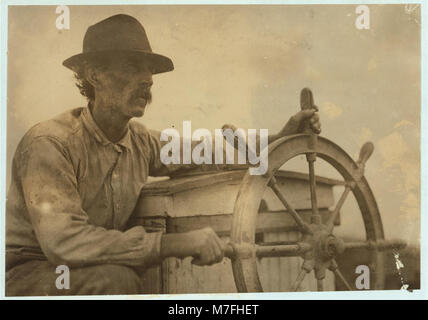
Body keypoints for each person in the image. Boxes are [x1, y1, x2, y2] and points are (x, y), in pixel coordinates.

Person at [5, 14, 321, 296]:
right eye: (132, 67)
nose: (148, 79)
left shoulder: (140, 141)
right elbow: (64, 242)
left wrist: (280, 137)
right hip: (28, 272)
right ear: (94, 75)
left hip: (88, 266)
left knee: (125, 277)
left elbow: (206, 150)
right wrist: (169, 244)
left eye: (150, 70)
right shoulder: (49, 143)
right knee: (117, 281)